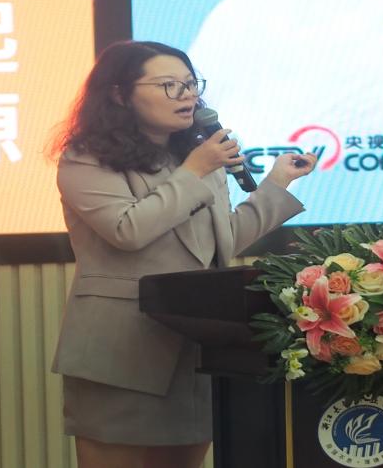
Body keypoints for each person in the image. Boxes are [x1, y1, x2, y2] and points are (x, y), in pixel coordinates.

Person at [46, 40, 317, 468]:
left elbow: (223, 241)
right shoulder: (87, 159)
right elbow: (127, 230)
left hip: (198, 343)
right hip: (123, 348)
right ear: (120, 94)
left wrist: (277, 184)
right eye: (169, 85)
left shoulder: (193, 157)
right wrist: (195, 170)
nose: (187, 95)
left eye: (191, 84)